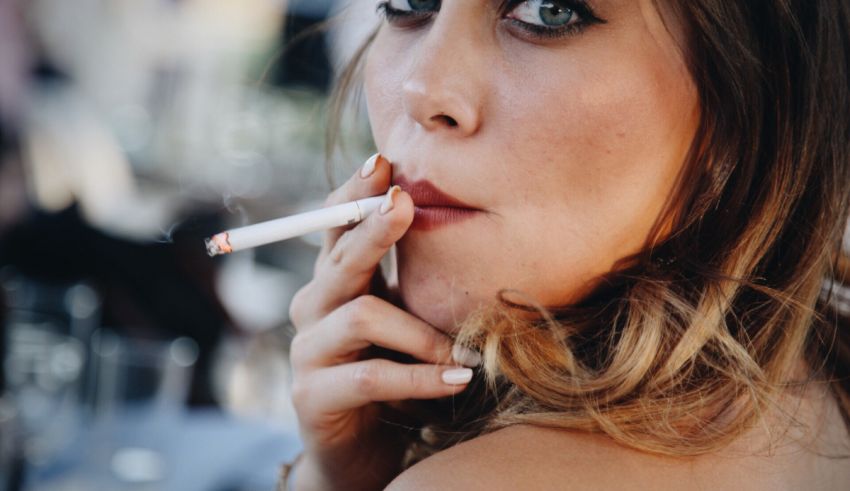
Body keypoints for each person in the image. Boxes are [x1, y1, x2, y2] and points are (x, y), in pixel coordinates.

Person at [286, 0, 850, 489]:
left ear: (752, 94)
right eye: (410, 3)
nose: (422, 91)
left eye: (548, 10)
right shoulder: (819, 376)